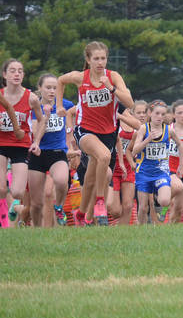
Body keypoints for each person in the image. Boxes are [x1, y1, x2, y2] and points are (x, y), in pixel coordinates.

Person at [57, 42, 134, 226]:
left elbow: (130, 103)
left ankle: (82, 214)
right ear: (88, 60)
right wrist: (59, 105)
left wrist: (111, 88)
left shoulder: (113, 77)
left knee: (90, 180)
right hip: (85, 131)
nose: (100, 62)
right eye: (96, 59)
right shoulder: (79, 77)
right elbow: (60, 80)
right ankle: (100, 201)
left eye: (103, 58)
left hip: (107, 133)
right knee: (105, 156)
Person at [26, 73, 72, 227]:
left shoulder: (65, 105)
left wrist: (71, 141)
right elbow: (34, 132)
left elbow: (79, 116)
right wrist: (45, 117)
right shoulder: (34, 107)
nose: (52, 91)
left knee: (61, 181)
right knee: (37, 203)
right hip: (38, 153)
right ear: (40, 88)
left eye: (55, 88)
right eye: (48, 88)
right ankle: (37, 231)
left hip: (57, 152)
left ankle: (58, 206)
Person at [1, 59, 43, 226]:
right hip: (1, 144)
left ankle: (16, 208)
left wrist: (37, 141)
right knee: (1, 189)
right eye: (12, 70)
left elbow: (41, 120)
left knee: (18, 192)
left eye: (20, 71)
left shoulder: (31, 98)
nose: (16, 74)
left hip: (21, 145)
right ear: (4, 75)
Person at [131, 101, 183, 223]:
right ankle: (141, 231)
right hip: (144, 172)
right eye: (157, 113)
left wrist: (181, 165)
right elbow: (134, 151)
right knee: (143, 208)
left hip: (161, 172)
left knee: (165, 201)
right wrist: (148, 140)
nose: (160, 117)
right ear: (150, 113)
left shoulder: (169, 130)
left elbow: (180, 145)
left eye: (163, 114)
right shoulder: (143, 129)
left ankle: (157, 202)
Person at [106, 101, 147, 226]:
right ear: (131, 112)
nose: (141, 115)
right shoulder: (113, 121)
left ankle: (122, 232)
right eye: (138, 112)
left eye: (143, 113)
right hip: (113, 167)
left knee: (128, 205)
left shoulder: (140, 127)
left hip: (128, 167)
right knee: (115, 211)